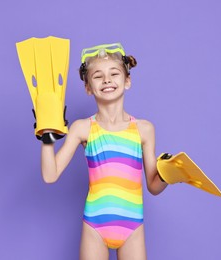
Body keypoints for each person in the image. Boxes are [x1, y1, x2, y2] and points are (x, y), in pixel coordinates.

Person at [40, 43, 168, 260]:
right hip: (95, 226)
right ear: (88, 87)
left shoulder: (144, 129)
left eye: (114, 73)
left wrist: (169, 174)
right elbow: (50, 175)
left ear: (127, 81)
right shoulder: (82, 128)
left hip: (132, 227)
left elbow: (153, 186)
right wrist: (46, 139)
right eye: (98, 76)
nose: (107, 80)